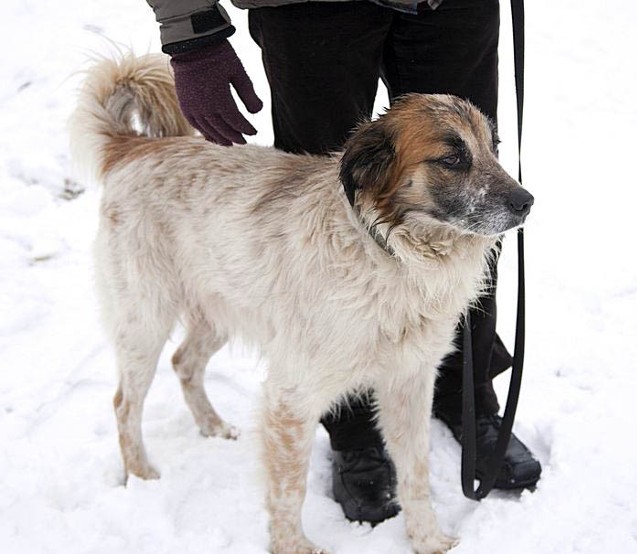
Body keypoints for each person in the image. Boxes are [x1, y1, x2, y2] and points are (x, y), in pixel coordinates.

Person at [146, 0, 541, 524]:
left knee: (465, 191)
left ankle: (467, 396)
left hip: (450, 7)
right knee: (327, 225)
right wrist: (191, 31)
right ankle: (352, 430)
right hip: (309, 9)